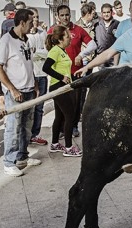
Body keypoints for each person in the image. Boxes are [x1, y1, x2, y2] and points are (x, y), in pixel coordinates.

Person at [0, 9, 42, 177]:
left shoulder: (26, 39)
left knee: (26, 127)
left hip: (29, 89)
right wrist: (12, 89)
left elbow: (28, 64)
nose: (33, 24)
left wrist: (34, 83)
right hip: (16, 93)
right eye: (30, 22)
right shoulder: (6, 41)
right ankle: (9, 162)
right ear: (22, 23)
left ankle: (22, 156)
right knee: (13, 128)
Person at [48, 5, 96, 138]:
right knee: (60, 106)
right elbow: (47, 49)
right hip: (59, 76)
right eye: (62, 15)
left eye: (67, 14)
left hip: (75, 73)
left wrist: (81, 55)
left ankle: (73, 126)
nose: (65, 17)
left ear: (71, 15)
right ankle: (62, 130)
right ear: (57, 16)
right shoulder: (53, 31)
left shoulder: (78, 30)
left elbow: (93, 44)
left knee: (75, 103)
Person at [42, 25, 82, 157]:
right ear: (60, 39)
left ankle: (54, 144)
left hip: (62, 87)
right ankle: (69, 147)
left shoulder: (62, 50)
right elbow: (46, 67)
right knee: (69, 116)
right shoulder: (55, 51)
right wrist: (62, 77)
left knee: (59, 116)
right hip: (58, 87)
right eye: (67, 36)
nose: (70, 38)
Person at [27, 8, 49, 146]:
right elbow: (28, 56)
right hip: (31, 75)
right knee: (30, 108)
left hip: (42, 74)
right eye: (33, 17)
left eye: (37, 17)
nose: (35, 20)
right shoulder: (25, 36)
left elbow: (48, 52)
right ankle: (27, 135)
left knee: (40, 107)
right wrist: (36, 54)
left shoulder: (43, 33)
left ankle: (35, 134)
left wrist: (37, 53)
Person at [94, 3, 120, 67]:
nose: (106, 14)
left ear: (111, 12)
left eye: (108, 12)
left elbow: (120, 42)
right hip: (101, 56)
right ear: (101, 13)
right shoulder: (96, 25)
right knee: (101, 76)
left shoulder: (118, 24)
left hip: (113, 57)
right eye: (104, 12)